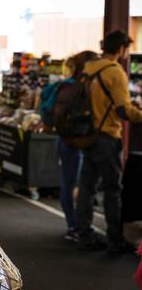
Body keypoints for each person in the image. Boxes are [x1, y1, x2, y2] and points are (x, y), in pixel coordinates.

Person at [75, 30, 142, 253]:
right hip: (106, 136)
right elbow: (123, 110)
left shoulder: (89, 67)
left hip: (87, 135)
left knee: (87, 187)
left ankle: (83, 234)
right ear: (121, 48)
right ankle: (115, 240)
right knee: (113, 190)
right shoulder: (115, 72)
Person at [53, 51, 98, 242]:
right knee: (77, 185)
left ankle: (73, 225)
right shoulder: (84, 87)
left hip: (65, 140)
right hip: (79, 141)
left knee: (69, 183)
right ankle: (75, 226)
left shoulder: (65, 85)